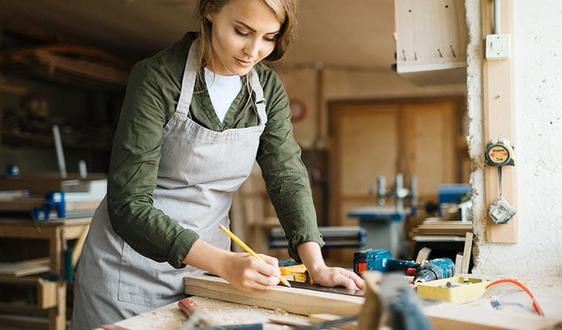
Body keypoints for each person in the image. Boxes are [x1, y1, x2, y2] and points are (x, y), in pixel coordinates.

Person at [71, 0, 364, 328]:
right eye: (242, 32)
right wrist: (225, 264)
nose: (253, 51)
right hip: (129, 270)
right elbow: (128, 205)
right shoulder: (157, 78)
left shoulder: (266, 89)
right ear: (210, 10)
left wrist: (316, 265)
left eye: (269, 37)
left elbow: (286, 174)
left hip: (207, 271)